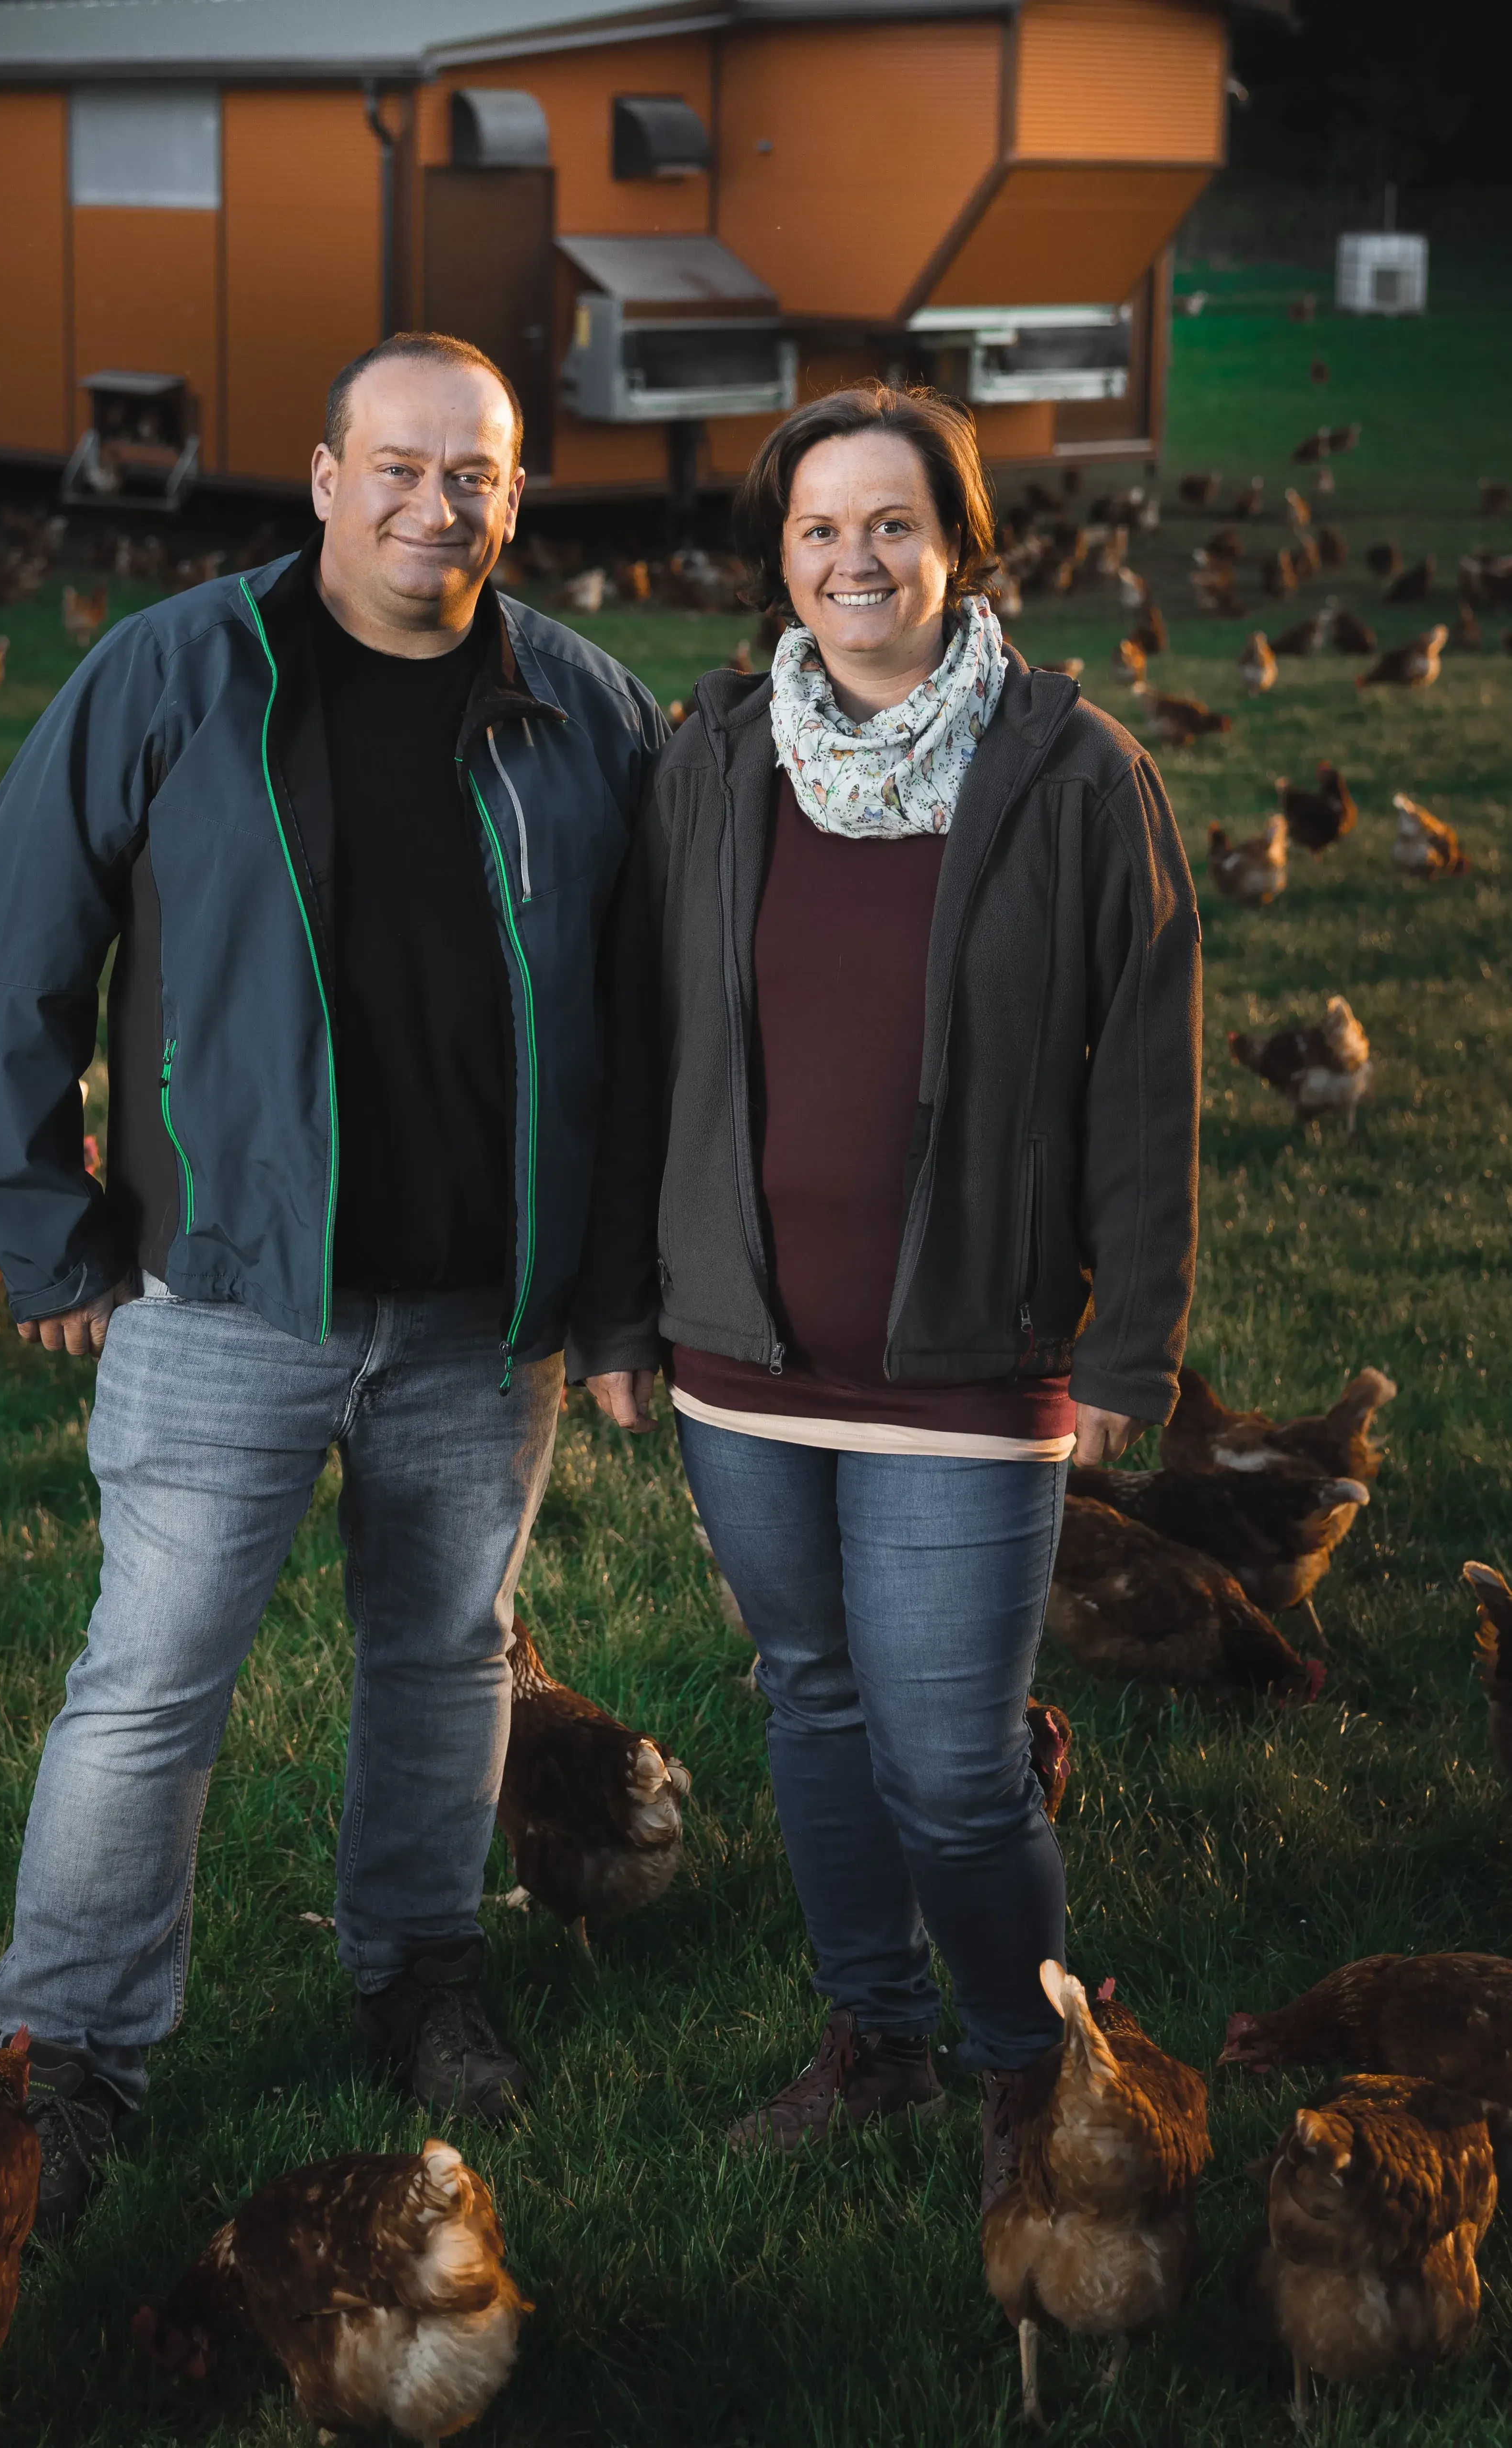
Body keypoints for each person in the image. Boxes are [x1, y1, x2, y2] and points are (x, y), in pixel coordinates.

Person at [0, 333, 667, 2231]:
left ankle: (418, 1970)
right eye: (404, 465)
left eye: (479, 474)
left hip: (478, 1317)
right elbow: (23, 929)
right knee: (146, 1685)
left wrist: (611, 1295)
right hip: (225, 1296)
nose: (440, 503)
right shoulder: (184, 671)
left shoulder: (586, 710)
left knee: (444, 1658)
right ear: (329, 472)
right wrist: (42, 1223)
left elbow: (650, 1022)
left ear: (515, 495)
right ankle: (72, 2050)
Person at [581, 383, 1200, 2206]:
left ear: (958, 546)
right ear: (780, 560)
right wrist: (623, 1308)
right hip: (743, 1348)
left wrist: (1129, 1339)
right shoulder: (707, 762)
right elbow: (642, 1047)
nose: (856, 560)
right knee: (813, 1702)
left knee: (946, 1760)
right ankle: (871, 2042)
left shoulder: (1075, 777)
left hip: (969, 1352)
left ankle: (1026, 2074)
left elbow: (1143, 1073)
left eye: (892, 525)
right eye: (819, 530)